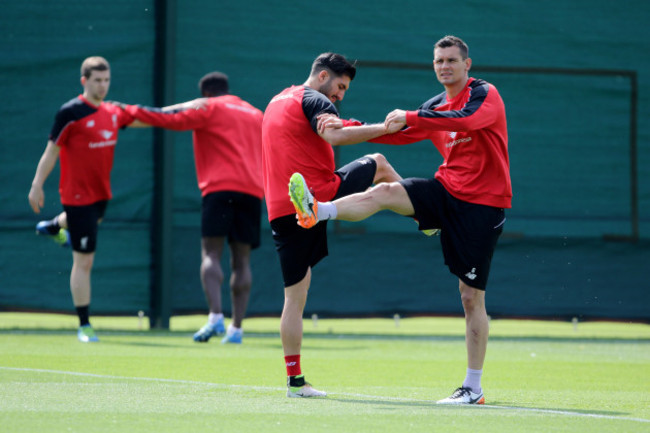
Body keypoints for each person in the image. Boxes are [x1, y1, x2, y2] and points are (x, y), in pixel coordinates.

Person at [289, 36, 512, 405]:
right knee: (385, 192)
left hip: (482, 204)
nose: (445, 67)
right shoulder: (435, 104)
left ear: (467, 65)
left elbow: (467, 120)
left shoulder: (484, 93)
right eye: (439, 60)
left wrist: (410, 115)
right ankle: (319, 210)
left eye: (452, 61)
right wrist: (348, 126)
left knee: (471, 297)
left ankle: (473, 388)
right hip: (445, 190)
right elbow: (401, 132)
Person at [262, 52, 404, 398]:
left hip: (280, 209)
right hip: (317, 192)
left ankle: (295, 381)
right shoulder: (315, 98)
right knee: (381, 164)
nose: (340, 95)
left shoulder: (280, 99)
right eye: (340, 86)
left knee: (294, 298)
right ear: (323, 75)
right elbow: (334, 136)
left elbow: (324, 131)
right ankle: (426, 216)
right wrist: (385, 128)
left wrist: (356, 126)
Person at [120, 72, 264, 344]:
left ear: (206, 93)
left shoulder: (207, 107)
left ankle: (215, 317)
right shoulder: (256, 113)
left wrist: (128, 112)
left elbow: (168, 117)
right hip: (253, 192)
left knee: (211, 252)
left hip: (219, 189)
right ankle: (237, 330)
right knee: (242, 261)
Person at [28, 56, 136, 343]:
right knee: (84, 261)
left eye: (106, 79)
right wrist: (37, 184)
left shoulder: (113, 111)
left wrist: (181, 110)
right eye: (97, 80)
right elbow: (51, 151)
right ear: (84, 81)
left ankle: (54, 226)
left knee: (86, 225)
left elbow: (144, 118)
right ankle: (84, 325)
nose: (103, 85)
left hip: (101, 192)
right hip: (76, 195)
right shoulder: (71, 112)